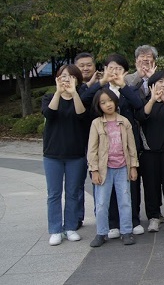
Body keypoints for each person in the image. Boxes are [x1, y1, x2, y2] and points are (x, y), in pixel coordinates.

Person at [80, 53, 145, 237]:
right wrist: (101, 83)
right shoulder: (99, 90)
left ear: (125, 71)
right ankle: (113, 223)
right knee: (107, 189)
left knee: (129, 187)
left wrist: (123, 86)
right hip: (104, 150)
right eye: (111, 68)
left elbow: (138, 104)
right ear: (105, 69)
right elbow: (84, 101)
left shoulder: (129, 88)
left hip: (126, 147)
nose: (114, 72)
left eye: (119, 68)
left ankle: (133, 220)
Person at [87, 88, 139, 247]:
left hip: (123, 167)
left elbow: (131, 146)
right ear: (99, 105)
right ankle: (101, 233)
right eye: (103, 102)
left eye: (110, 101)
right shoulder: (96, 123)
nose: (107, 105)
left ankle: (126, 231)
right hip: (104, 169)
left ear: (115, 102)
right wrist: (94, 169)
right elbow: (92, 149)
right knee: (102, 203)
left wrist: (133, 166)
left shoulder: (124, 121)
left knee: (125, 201)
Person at [42, 64, 87, 246]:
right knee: (53, 193)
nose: (66, 79)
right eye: (63, 75)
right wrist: (59, 93)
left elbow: (81, 115)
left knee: (73, 192)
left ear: (77, 79)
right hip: (52, 154)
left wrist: (74, 93)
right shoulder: (49, 97)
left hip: (75, 154)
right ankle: (55, 229)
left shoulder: (81, 97)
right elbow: (49, 114)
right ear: (57, 78)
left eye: (70, 76)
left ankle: (70, 227)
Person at [136, 71, 164, 232]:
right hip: (149, 153)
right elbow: (141, 116)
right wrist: (153, 99)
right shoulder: (145, 101)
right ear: (152, 84)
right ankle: (154, 217)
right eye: (159, 82)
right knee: (150, 186)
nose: (163, 85)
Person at [73, 52, 97, 230]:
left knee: (99, 181)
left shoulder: (102, 86)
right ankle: (76, 218)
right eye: (82, 65)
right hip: (79, 141)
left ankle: (101, 216)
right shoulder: (73, 88)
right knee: (76, 183)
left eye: (89, 64)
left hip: (99, 142)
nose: (86, 68)